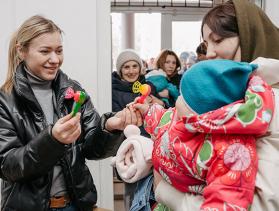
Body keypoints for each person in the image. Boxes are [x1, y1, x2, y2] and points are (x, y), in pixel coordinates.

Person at [0, 15, 141, 211]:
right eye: (45, 51)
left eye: (59, 51)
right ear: (21, 51)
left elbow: (91, 149)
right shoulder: (5, 100)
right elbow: (7, 166)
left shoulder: (72, 90)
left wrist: (109, 127)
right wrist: (52, 140)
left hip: (74, 205)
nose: (55, 60)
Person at [153, 0, 279, 210]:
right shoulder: (233, 93)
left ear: (250, 36)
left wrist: (164, 190)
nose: (209, 53)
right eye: (206, 44)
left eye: (218, 40)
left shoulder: (271, 104)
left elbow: (259, 204)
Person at [133, 59, 274, 210]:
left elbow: (227, 199)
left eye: (182, 97)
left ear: (199, 113)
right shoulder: (182, 118)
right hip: (163, 196)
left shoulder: (232, 151)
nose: (178, 99)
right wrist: (147, 111)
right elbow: (164, 119)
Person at [111, 49, 163, 210]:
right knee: (132, 188)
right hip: (128, 146)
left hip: (151, 144)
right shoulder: (112, 90)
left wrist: (156, 102)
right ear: (120, 70)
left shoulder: (149, 88)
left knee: (152, 190)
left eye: (135, 66)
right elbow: (113, 120)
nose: (132, 70)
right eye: (126, 67)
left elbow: (163, 112)